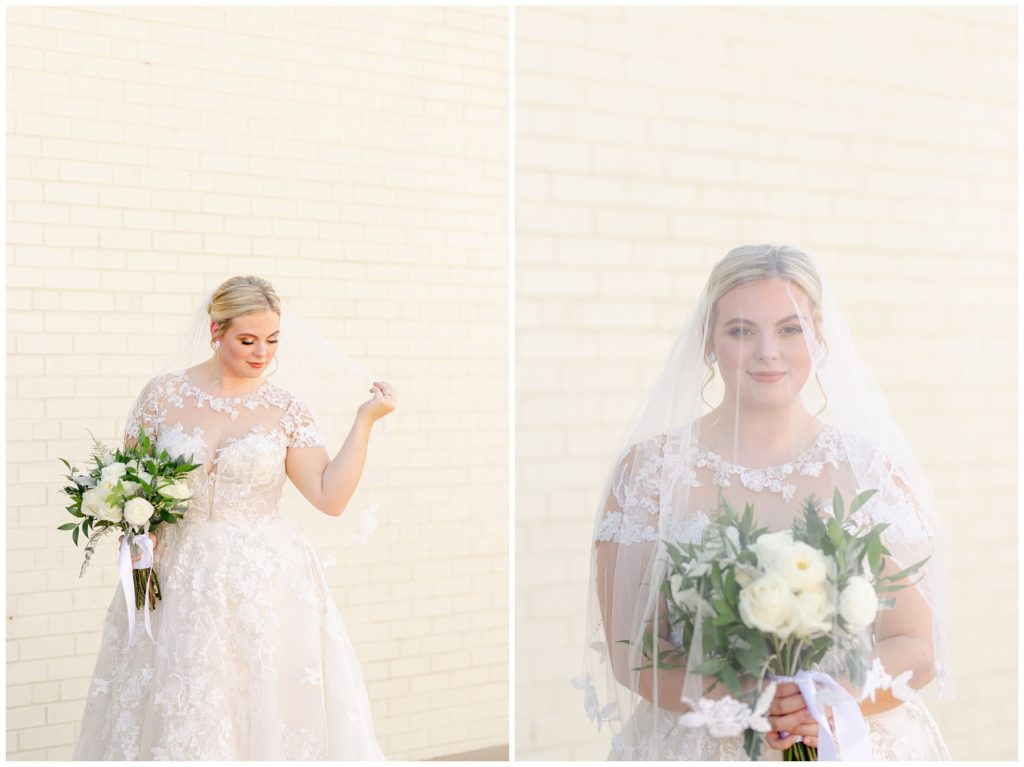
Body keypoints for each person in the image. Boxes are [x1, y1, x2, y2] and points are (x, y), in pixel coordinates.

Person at [581, 245, 951, 760]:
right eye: (740, 331)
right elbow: (635, 648)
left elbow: (914, 644)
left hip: (845, 736)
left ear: (818, 337)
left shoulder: (873, 472)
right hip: (702, 740)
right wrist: (742, 700)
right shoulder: (649, 475)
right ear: (709, 341)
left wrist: (820, 702)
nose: (767, 351)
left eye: (790, 328)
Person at [73, 275, 395, 760]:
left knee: (263, 703)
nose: (261, 353)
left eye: (272, 340)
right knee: (185, 701)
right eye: (248, 340)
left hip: (265, 581)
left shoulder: (284, 408)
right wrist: (138, 538)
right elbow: (130, 486)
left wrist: (365, 420)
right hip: (178, 577)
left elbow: (330, 496)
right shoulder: (162, 397)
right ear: (215, 330)